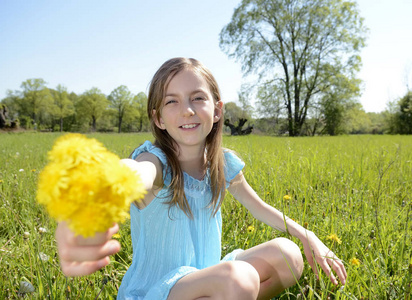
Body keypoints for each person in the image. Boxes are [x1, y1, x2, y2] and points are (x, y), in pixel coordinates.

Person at [55, 57, 347, 299]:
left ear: (217, 110)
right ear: (158, 118)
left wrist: (308, 236)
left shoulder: (222, 164)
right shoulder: (156, 162)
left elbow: (259, 208)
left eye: (197, 98)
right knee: (239, 277)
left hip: (208, 277)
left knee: (288, 255)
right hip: (157, 291)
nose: (187, 110)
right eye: (172, 102)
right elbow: (133, 173)